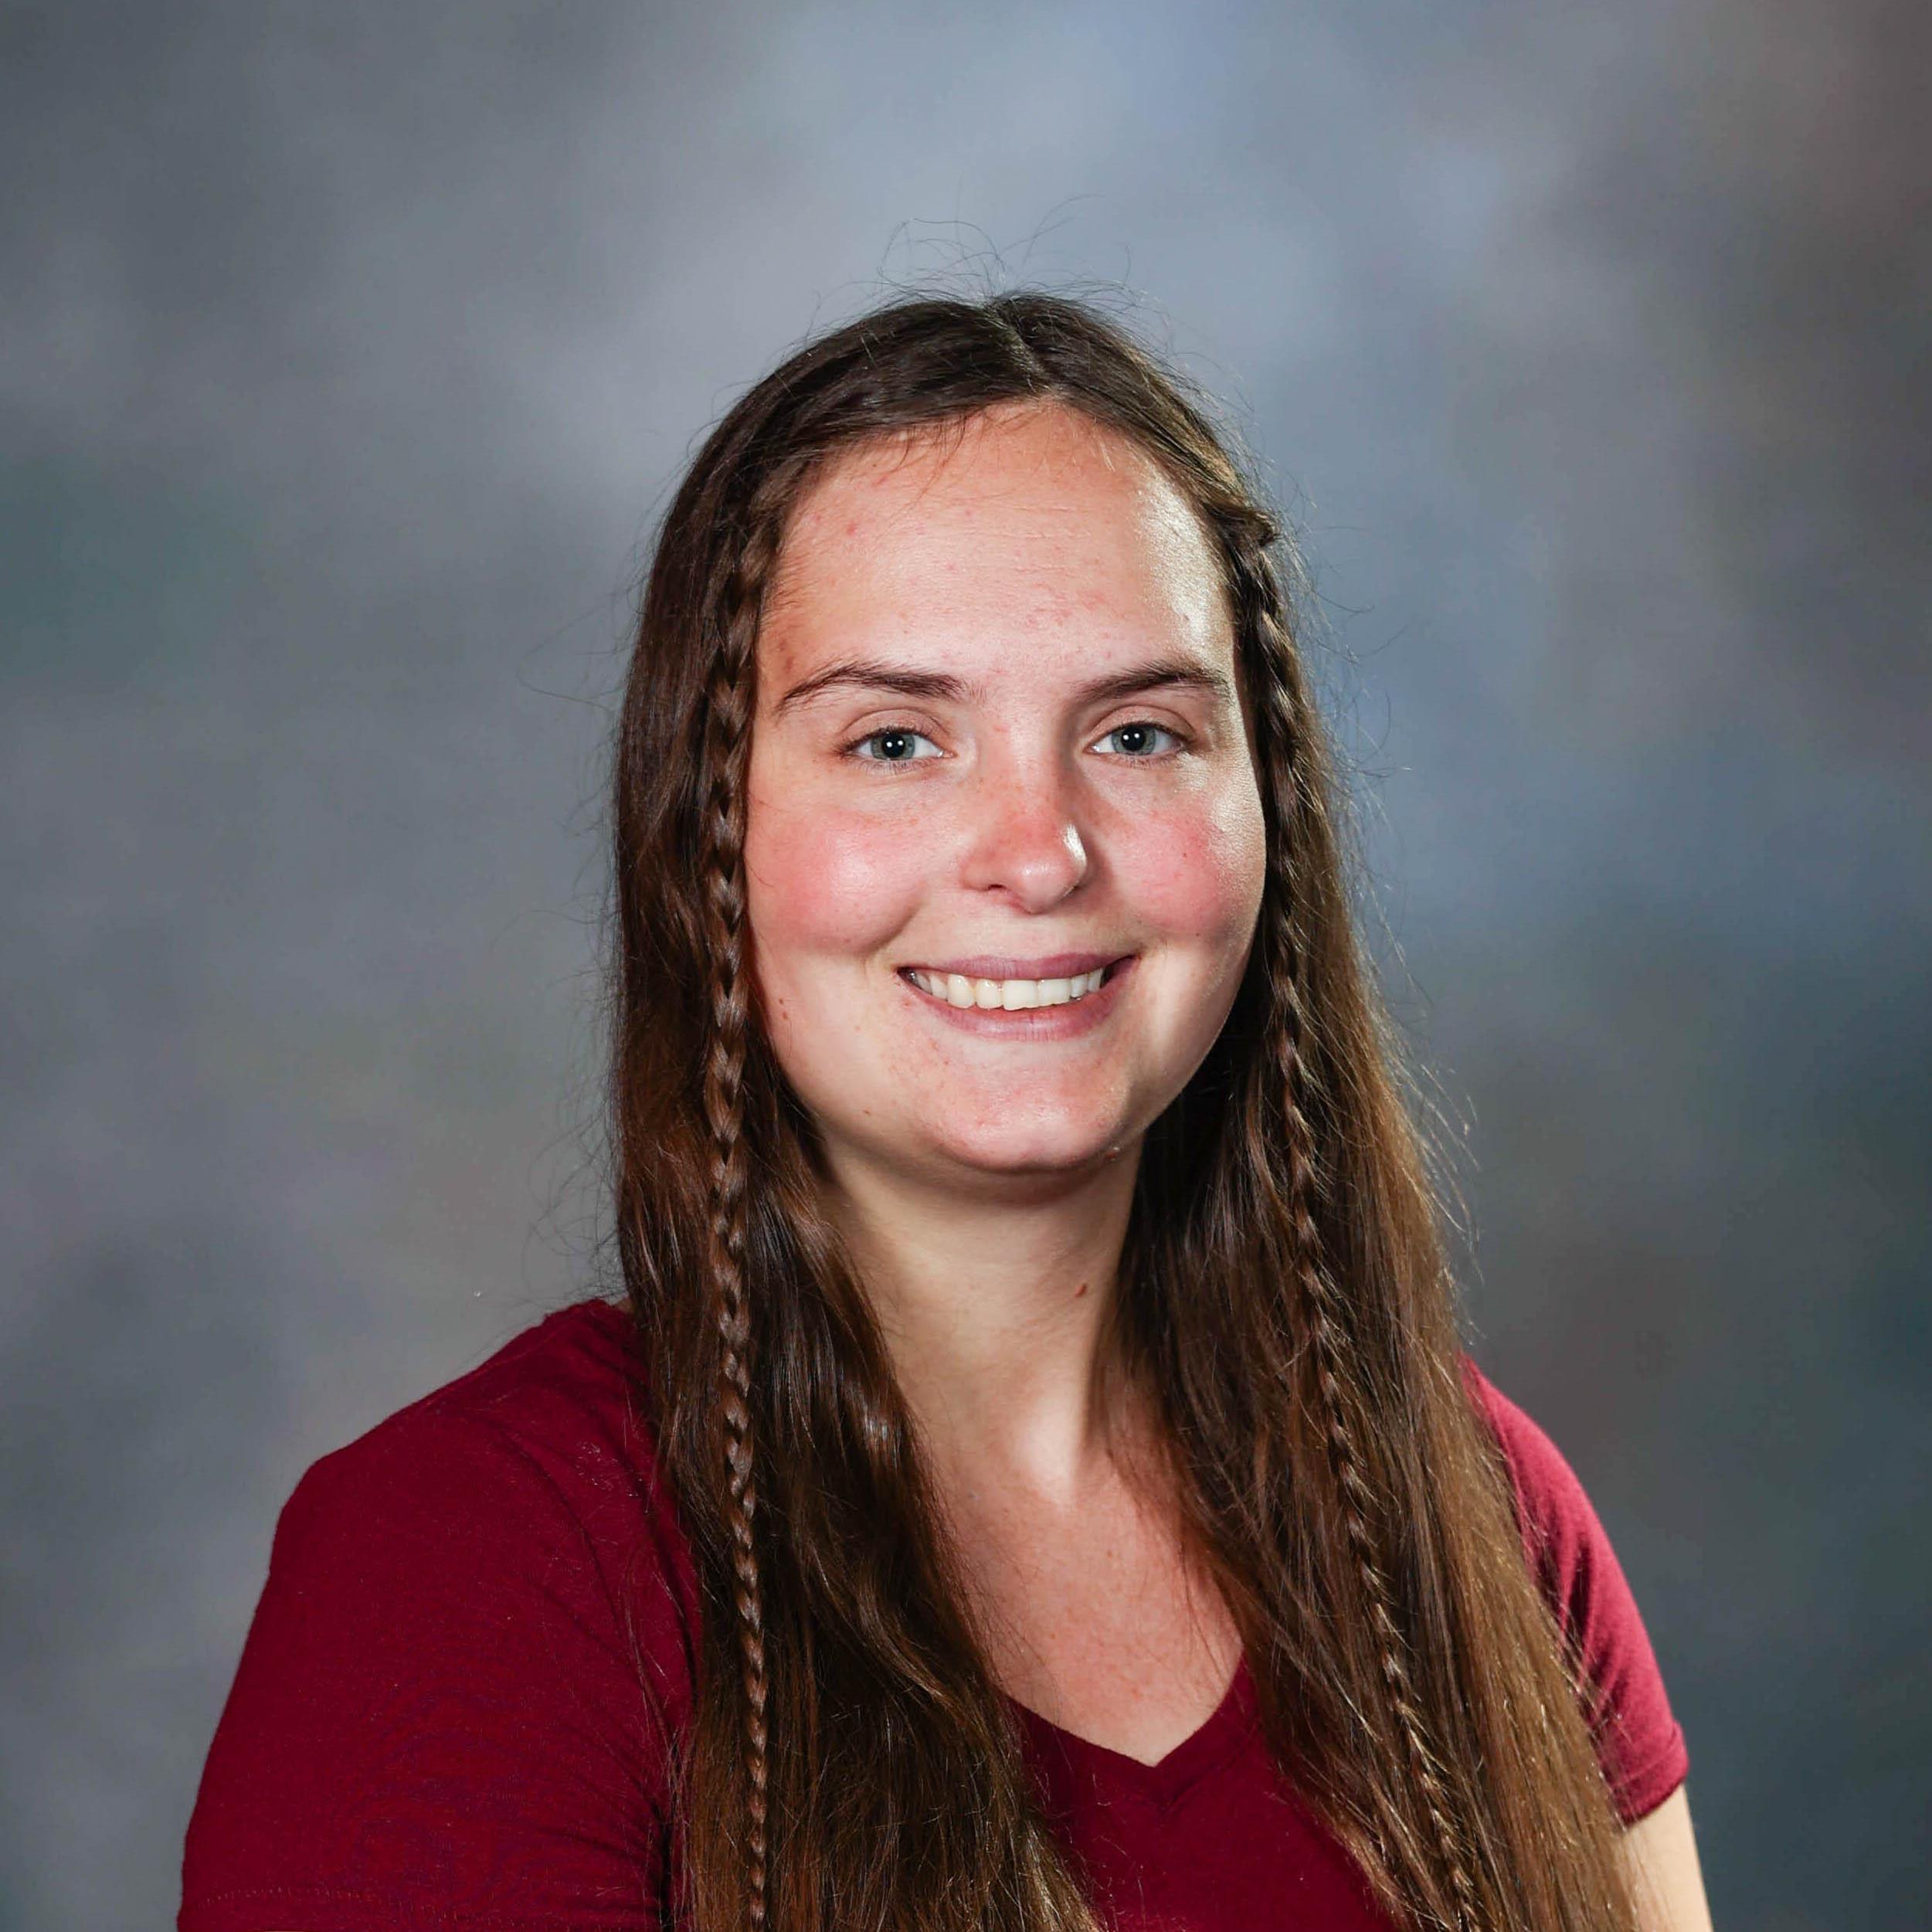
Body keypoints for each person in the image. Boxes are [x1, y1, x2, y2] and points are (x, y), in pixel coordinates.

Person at [178, 291, 1716, 1932]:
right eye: (897, 740)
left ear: (1266, 813)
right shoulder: (472, 1567)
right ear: (705, 837)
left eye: (1139, 732)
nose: (1038, 852)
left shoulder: (1473, 1510)